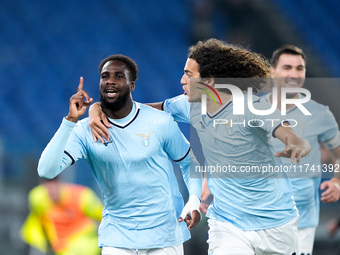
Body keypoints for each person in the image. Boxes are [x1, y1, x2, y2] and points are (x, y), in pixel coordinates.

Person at [88, 39, 312, 255]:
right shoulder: (190, 105)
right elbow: (138, 112)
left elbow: (289, 134)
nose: (182, 81)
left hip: (277, 223)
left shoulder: (251, 106)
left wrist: (296, 144)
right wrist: (98, 108)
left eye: (188, 74)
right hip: (228, 224)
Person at [37, 54, 202, 255]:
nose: (110, 81)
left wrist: (193, 198)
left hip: (164, 236)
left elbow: (189, 162)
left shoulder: (160, 121)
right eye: (105, 76)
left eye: (118, 76)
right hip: (117, 239)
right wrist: (70, 120)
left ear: (132, 85)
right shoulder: (84, 130)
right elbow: (46, 170)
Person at [268, 45, 340, 255]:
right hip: (259, 218)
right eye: (287, 67)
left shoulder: (319, 114)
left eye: (299, 68)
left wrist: (337, 180)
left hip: (302, 222)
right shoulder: (251, 109)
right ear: (272, 72)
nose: (294, 74)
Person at [20, 176, 103, 255]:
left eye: (54, 185)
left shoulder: (81, 196)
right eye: (48, 186)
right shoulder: (38, 199)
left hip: (83, 245)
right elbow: (37, 221)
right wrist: (40, 243)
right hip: (57, 247)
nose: (52, 190)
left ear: (61, 183)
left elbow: (103, 216)